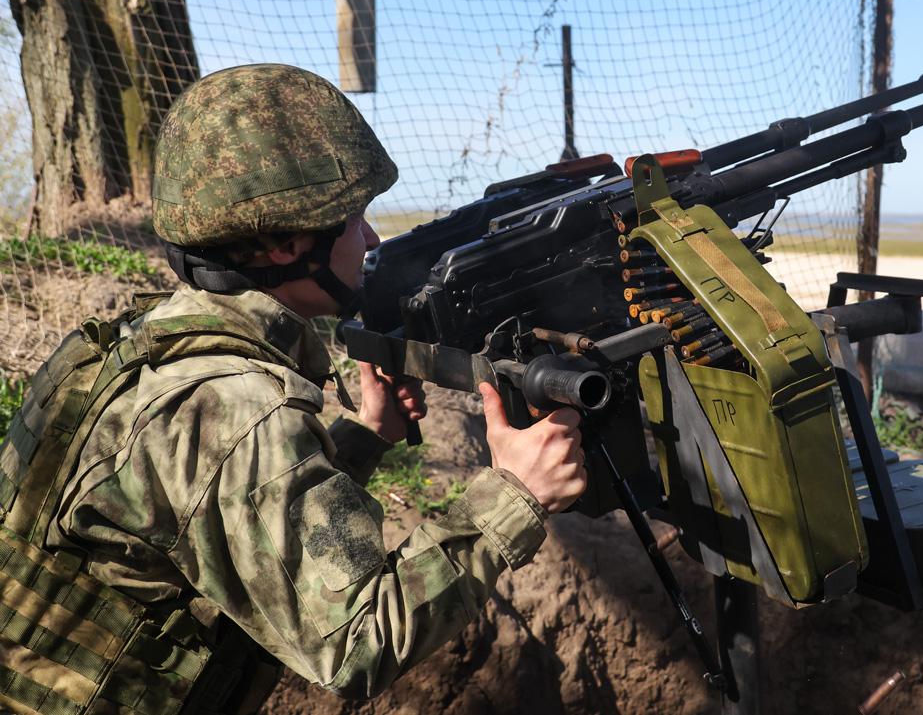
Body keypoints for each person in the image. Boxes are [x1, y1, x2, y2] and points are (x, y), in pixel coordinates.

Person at [0, 64, 587, 713]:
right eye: (355, 217)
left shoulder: (139, 344)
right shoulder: (237, 410)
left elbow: (211, 514)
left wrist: (364, 438)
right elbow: (359, 644)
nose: (371, 238)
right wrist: (511, 496)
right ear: (286, 243)